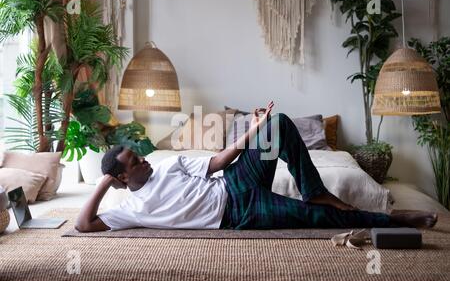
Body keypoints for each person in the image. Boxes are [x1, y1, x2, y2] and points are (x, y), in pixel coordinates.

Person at [75, 102, 438, 232]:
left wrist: (253, 129)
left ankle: (317, 192)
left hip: (235, 181)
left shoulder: (167, 166)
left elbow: (219, 161)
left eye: (139, 155)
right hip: (239, 212)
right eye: (135, 162)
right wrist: (104, 183)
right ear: (122, 177)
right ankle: (393, 220)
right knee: (316, 220)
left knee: (277, 123)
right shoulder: (130, 209)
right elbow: (83, 224)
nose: (144, 159)